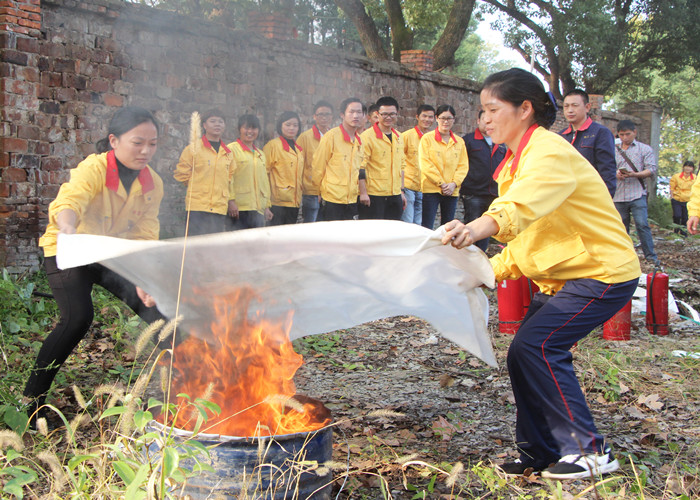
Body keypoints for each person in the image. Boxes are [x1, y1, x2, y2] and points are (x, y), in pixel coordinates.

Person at [442, 68, 640, 480]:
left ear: (525, 109)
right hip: (570, 275)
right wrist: (482, 270)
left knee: (539, 345)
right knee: (523, 352)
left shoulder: (548, 152)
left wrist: (475, 229)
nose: (485, 120)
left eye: (493, 109)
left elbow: (520, 209)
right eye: (482, 112)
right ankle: (541, 451)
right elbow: (529, 241)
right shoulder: (516, 160)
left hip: (602, 271)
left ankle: (587, 452)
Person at [24, 107, 166, 416]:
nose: (146, 151)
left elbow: (145, 236)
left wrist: (146, 279)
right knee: (77, 318)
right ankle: (31, 403)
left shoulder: (153, 182)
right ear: (114, 141)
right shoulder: (95, 168)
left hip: (111, 253)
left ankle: (184, 392)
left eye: (153, 144)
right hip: (71, 247)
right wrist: (67, 226)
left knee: (159, 313)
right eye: (137, 142)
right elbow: (69, 200)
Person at [174, 109, 236, 235]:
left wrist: (230, 201)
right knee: (194, 246)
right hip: (197, 207)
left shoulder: (228, 153)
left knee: (213, 247)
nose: (217, 124)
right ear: (204, 125)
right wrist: (198, 187)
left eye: (220, 122)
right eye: (212, 121)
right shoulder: (193, 148)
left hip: (219, 207)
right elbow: (182, 175)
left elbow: (229, 178)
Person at [613, 120, 661, 267]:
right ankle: (623, 256)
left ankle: (650, 256)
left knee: (642, 224)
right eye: (621, 135)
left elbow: (651, 169)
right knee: (621, 227)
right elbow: (607, 167)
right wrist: (617, 174)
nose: (625, 138)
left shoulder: (644, 149)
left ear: (635, 132)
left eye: (628, 134)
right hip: (618, 194)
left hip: (637, 193)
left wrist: (635, 174)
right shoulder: (613, 148)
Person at [311, 97, 365, 221]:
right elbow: (318, 167)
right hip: (332, 199)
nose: (355, 115)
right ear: (342, 115)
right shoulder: (331, 137)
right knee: (330, 238)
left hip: (351, 199)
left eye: (359, 112)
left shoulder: (359, 141)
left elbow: (357, 170)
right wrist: (318, 192)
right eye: (351, 112)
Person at [461, 109, 506, 251]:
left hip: (493, 192)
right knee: (472, 228)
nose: (488, 123)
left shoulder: (500, 141)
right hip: (474, 193)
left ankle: (482, 256)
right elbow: (461, 164)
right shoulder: (468, 140)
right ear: (478, 121)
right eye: (484, 120)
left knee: (487, 228)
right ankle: (468, 259)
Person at [559, 89, 617, 197]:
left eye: (575, 105)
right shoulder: (560, 136)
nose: (570, 110)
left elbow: (607, 172)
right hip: (565, 198)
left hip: (590, 197)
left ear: (587, 107)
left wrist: (605, 200)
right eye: (566, 106)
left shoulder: (600, 133)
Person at [420, 104, 469, 229]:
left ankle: (444, 248)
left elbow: (463, 166)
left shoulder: (459, 141)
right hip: (431, 188)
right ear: (436, 118)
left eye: (449, 118)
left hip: (452, 190)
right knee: (427, 225)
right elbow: (426, 164)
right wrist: (441, 183)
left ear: (454, 119)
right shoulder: (427, 139)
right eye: (442, 118)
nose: (445, 122)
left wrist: (453, 184)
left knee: (448, 226)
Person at [358, 96, 406, 220]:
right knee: (373, 234)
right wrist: (363, 193)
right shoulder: (367, 137)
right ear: (377, 114)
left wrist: (401, 191)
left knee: (393, 233)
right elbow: (360, 167)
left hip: (394, 195)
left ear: (397, 114)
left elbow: (401, 166)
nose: (388, 117)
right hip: (374, 195)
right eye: (384, 114)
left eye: (392, 114)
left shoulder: (399, 137)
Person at [227, 114, 273, 229]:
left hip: (258, 209)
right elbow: (227, 177)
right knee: (238, 243)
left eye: (254, 128)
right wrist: (231, 201)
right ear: (239, 129)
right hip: (239, 208)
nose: (250, 131)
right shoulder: (231, 149)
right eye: (246, 128)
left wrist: (266, 206)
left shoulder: (260, 154)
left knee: (256, 244)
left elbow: (264, 182)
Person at [263, 111, 304, 225]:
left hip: (294, 201)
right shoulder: (273, 146)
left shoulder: (298, 149)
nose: (292, 128)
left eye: (295, 125)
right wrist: (265, 203)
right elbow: (264, 175)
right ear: (280, 126)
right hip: (277, 202)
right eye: (288, 124)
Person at [297, 101, 334, 222]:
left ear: (332, 116)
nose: (324, 117)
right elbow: (299, 164)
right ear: (314, 116)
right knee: (311, 225)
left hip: (330, 190)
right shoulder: (305, 137)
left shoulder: (333, 136)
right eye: (320, 114)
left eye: (327, 114)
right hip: (311, 190)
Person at [401, 104, 435, 224]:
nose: (427, 120)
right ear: (417, 117)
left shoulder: (433, 138)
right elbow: (399, 161)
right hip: (408, 185)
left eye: (430, 117)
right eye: (424, 116)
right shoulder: (406, 136)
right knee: (408, 222)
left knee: (419, 223)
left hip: (424, 187)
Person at [669, 160, 695, 236]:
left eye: (690, 167)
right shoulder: (676, 176)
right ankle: (676, 231)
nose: (688, 168)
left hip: (688, 200)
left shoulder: (695, 178)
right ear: (683, 167)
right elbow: (672, 187)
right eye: (686, 166)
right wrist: (672, 197)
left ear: (692, 169)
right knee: (677, 216)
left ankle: (684, 233)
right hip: (677, 199)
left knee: (685, 217)